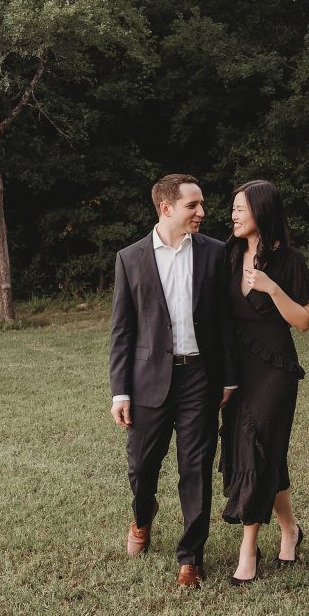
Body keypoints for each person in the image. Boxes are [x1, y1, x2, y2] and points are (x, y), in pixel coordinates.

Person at [109, 173, 238, 588]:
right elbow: (122, 330)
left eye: (201, 205)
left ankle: (190, 558)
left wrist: (230, 377)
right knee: (142, 466)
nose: (202, 212)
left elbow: (225, 322)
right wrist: (120, 391)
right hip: (147, 381)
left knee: (196, 468)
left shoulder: (215, 253)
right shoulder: (130, 258)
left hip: (200, 376)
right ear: (166, 209)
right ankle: (142, 517)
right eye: (193, 206)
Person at [219, 179, 309, 585]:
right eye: (234, 209)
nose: (234, 215)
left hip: (275, 369)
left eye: (241, 208)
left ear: (262, 211)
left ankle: (248, 549)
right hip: (236, 369)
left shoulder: (290, 261)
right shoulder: (225, 254)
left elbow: (305, 322)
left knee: (255, 448)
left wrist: (273, 289)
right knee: (265, 453)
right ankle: (290, 529)